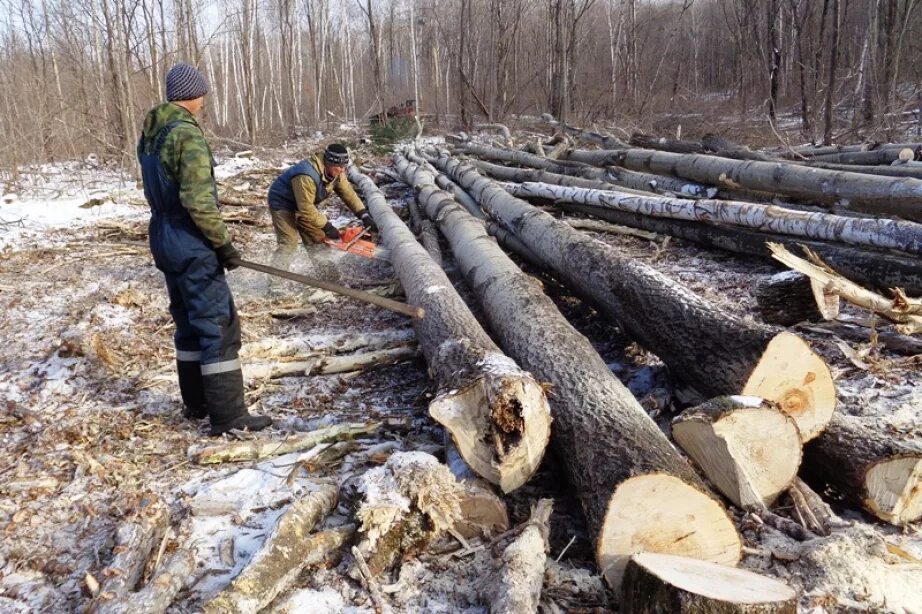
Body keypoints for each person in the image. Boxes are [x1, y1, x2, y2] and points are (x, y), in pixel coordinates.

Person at [137, 62, 271, 435]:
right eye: (202, 94)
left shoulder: (152, 133)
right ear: (194, 95)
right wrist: (223, 244)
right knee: (217, 324)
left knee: (189, 324)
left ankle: (196, 404)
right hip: (190, 239)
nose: (203, 101)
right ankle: (228, 417)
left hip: (163, 236)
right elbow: (198, 200)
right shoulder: (186, 136)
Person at [266, 144, 376, 283]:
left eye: (344, 167)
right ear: (328, 163)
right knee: (289, 243)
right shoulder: (306, 175)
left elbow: (348, 193)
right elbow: (306, 209)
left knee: (318, 238)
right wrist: (327, 226)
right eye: (339, 167)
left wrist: (363, 214)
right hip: (283, 203)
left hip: (305, 204)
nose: (342, 170)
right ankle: (275, 283)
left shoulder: (337, 172)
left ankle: (327, 276)